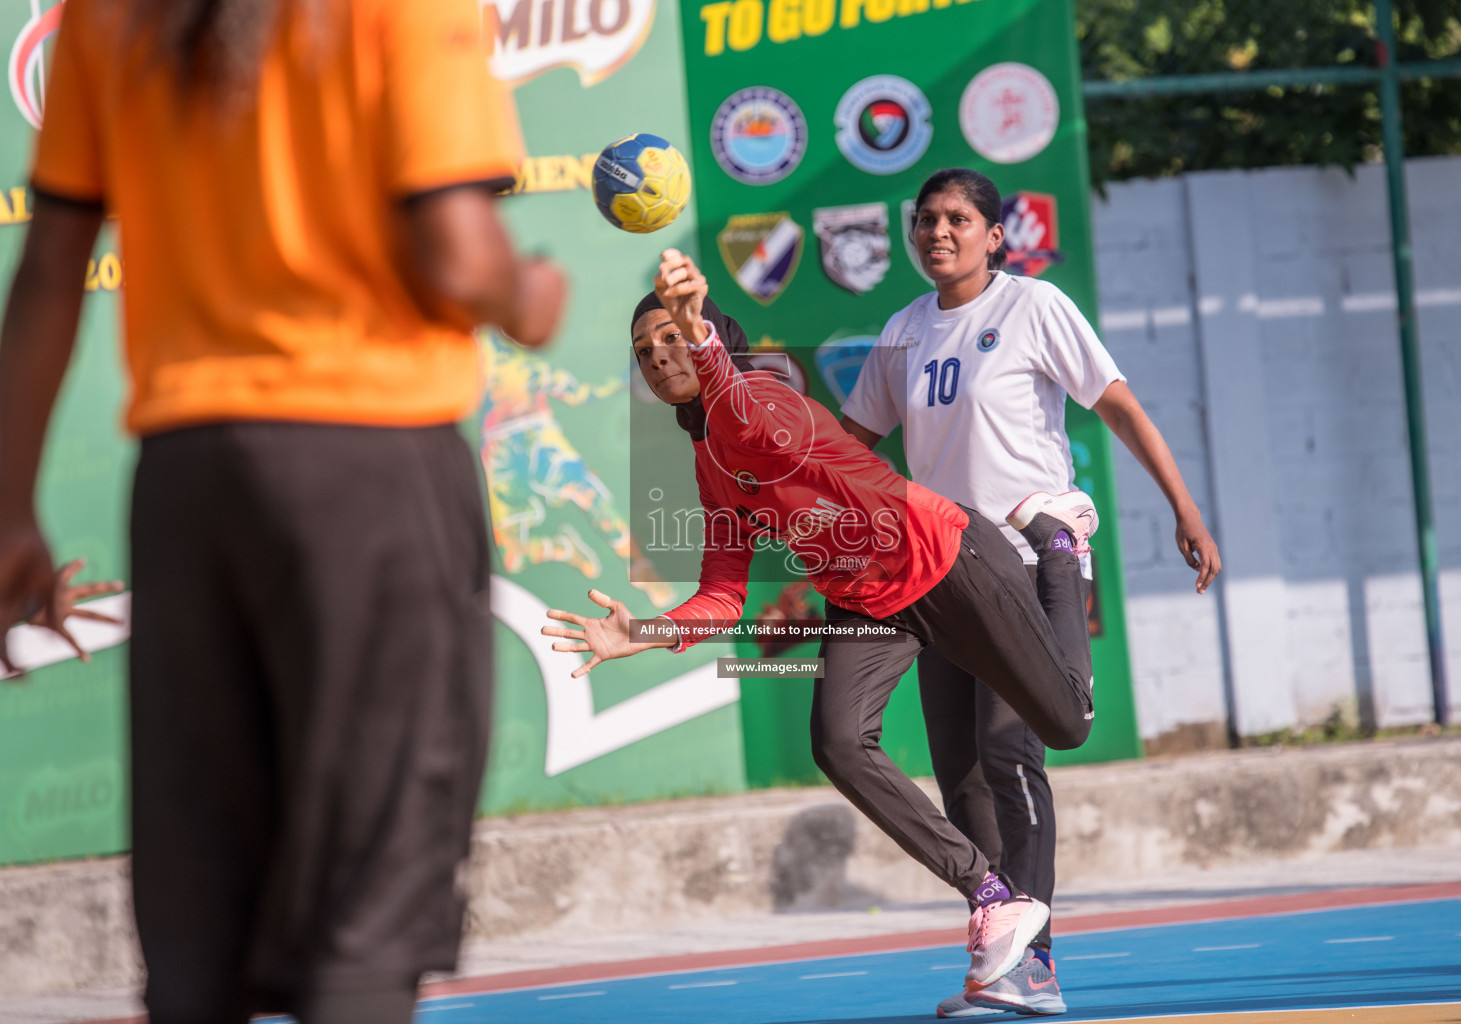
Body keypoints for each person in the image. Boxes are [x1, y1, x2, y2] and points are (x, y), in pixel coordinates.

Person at [0, 0, 565, 1020]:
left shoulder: (107, 17)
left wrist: (8, 510)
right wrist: (533, 294)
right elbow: (461, 259)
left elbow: (48, 269)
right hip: (366, 469)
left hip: (187, 478)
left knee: (201, 917)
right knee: (362, 909)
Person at [544, 249, 1097, 997]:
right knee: (838, 742)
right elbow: (722, 597)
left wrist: (695, 328)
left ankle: (1058, 547)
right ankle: (993, 899)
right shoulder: (709, 462)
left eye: (670, 338)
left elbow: (736, 403)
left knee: (1066, 727)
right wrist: (638, 632)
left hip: (948, 558)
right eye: (644, 350)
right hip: (869, 603)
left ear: (712, 342)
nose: (657, 354)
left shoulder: (759, 401)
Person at [839, 168, 1221, 1017]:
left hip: (1029, 560)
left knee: (1013, 754)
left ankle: (1038, 965)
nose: (940, 232)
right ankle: (996, 949)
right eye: (927, 220)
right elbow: (853, 449)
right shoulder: (903, 332)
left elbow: (1118, 406)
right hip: (942, 577)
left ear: (994, 235)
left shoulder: (1033, 308)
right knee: (962, 774)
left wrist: (1184, 507)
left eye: (959, 220)